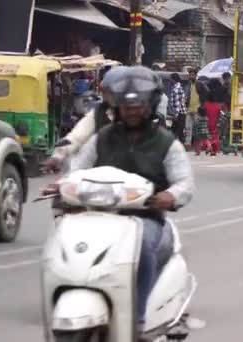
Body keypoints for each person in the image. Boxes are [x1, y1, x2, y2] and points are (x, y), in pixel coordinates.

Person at [69, 66, 195, 334]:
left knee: (142, 249)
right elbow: (77, 168)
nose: (132, 111)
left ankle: (139, 317)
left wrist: (168, 196)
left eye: (137, 106)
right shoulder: (101, 138)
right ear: (117, 107)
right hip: (100, 214)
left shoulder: (166, 143)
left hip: (145, 218)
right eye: (127, 107)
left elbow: (184, 183)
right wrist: (63, 186)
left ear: (149, 106)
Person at [41, 66, 129, 172]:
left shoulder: (143, 119)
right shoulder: (99, 114)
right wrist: (57, 156)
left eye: (113, 92)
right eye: (107, 92)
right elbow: (77, 136)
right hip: (102, 175)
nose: (108, 96)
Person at [170, 73, 188, 142]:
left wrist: (176, 115)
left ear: (173, 79)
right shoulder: (178, 87)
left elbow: (178, 103)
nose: (170, 80)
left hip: (180, 113)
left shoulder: (176, 89)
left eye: (171, 79)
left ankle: (180, 145)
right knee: (176, 130)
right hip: (181, 112)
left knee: (178, 131)